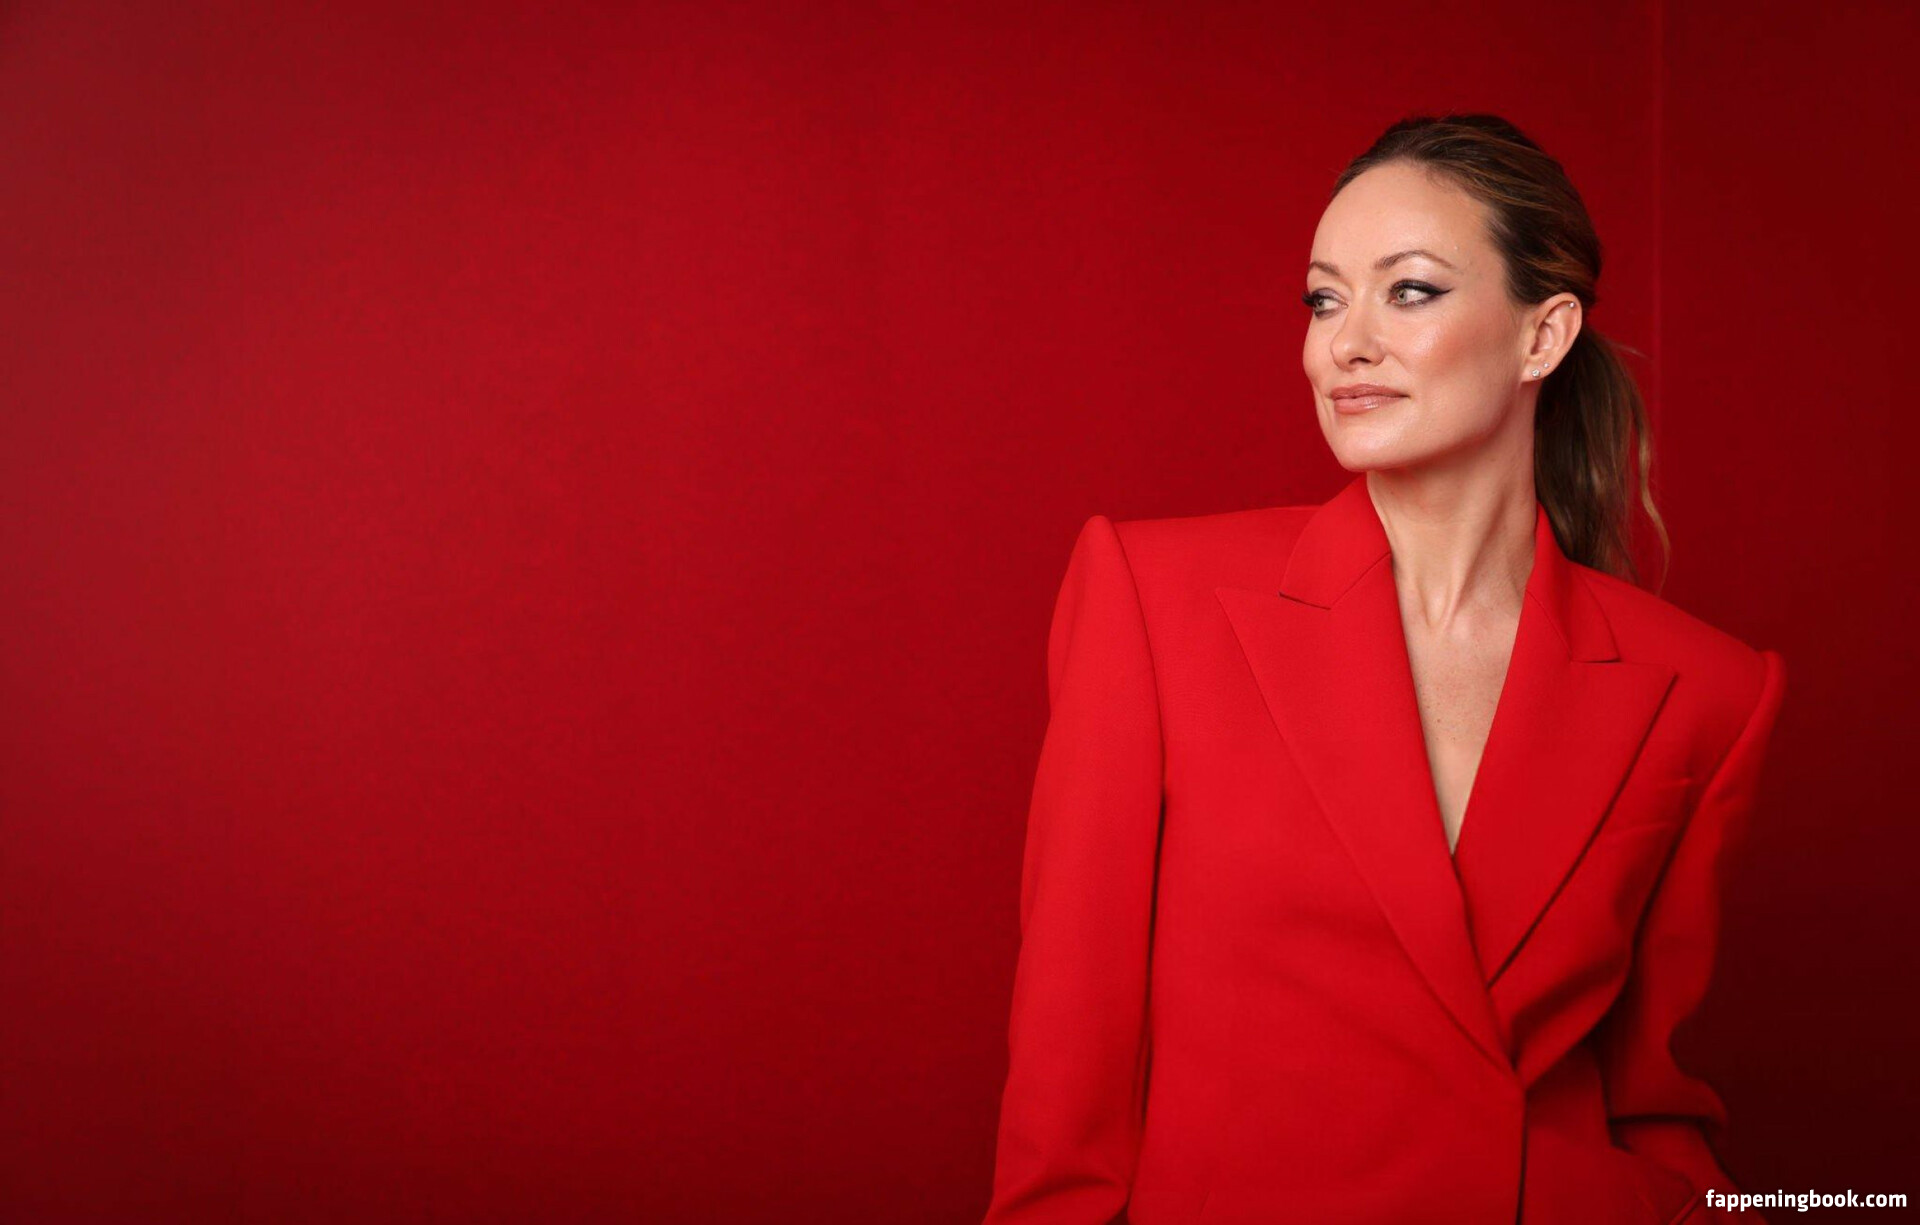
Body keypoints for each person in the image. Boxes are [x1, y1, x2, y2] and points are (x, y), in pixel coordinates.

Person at [980, 114, 1787, 1225]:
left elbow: (1650, 1102)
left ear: (1544, 335)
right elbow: (1067, 1074)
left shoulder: (1708, 690)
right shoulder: (1153, 599)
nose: (1343, 345)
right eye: (1324, 300)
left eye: (1408, 291)